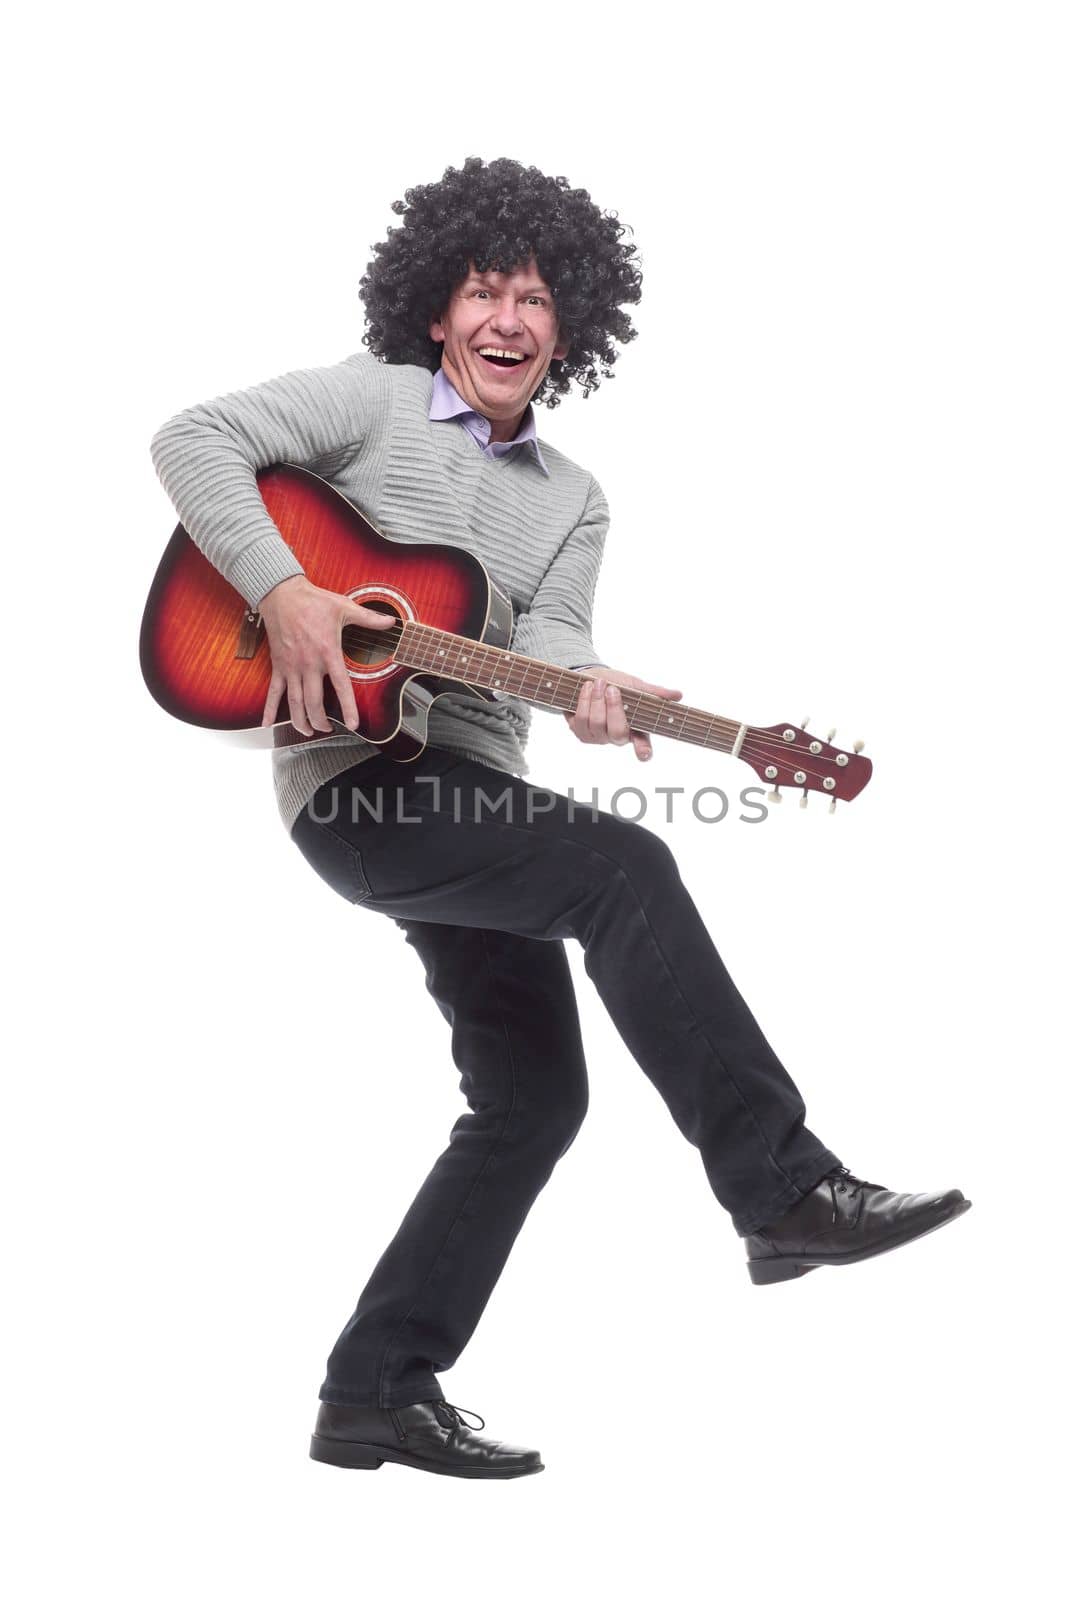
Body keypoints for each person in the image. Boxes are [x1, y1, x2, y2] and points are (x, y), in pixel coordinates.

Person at [149, 155, 971, 1482]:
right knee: (627, 867)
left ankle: (375, 1391)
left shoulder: (574, 500)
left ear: (568, 327)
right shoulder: (362, 405)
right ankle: (783, 1192)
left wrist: (590, 692)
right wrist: (291, 594)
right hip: (361, 790)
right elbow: (193, 439)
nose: (509, 318)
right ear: (436, 307)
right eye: (485, 289)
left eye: (536, 297)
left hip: (476, 794)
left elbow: (561, 641)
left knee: (532, 1097)